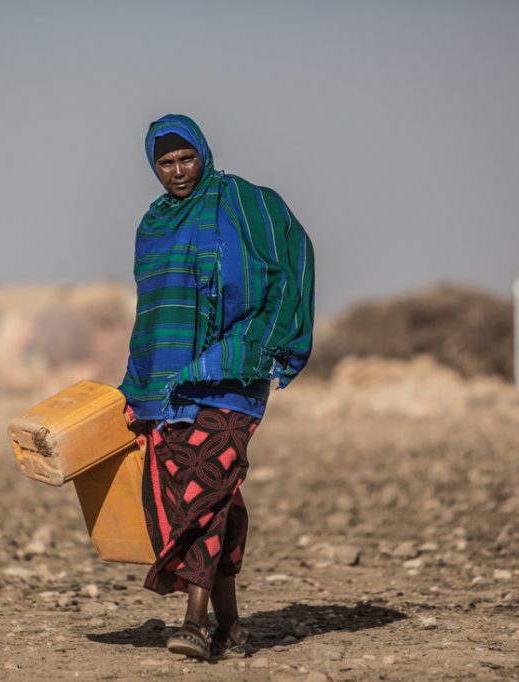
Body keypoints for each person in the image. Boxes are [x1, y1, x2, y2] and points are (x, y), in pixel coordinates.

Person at [119, 114, 314, 660]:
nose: (178, 171)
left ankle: (194, 624)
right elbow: (153, 313)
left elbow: (289, 261)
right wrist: (138, 387)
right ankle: (232, 626)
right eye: (166, 162)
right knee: (213, 499)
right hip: (169, 386)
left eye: (187, 159)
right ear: (152, 166)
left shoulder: (246, 205)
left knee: (204, 492)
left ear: (204, 153)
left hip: (232, 377)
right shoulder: (152, 226)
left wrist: (256, 341)